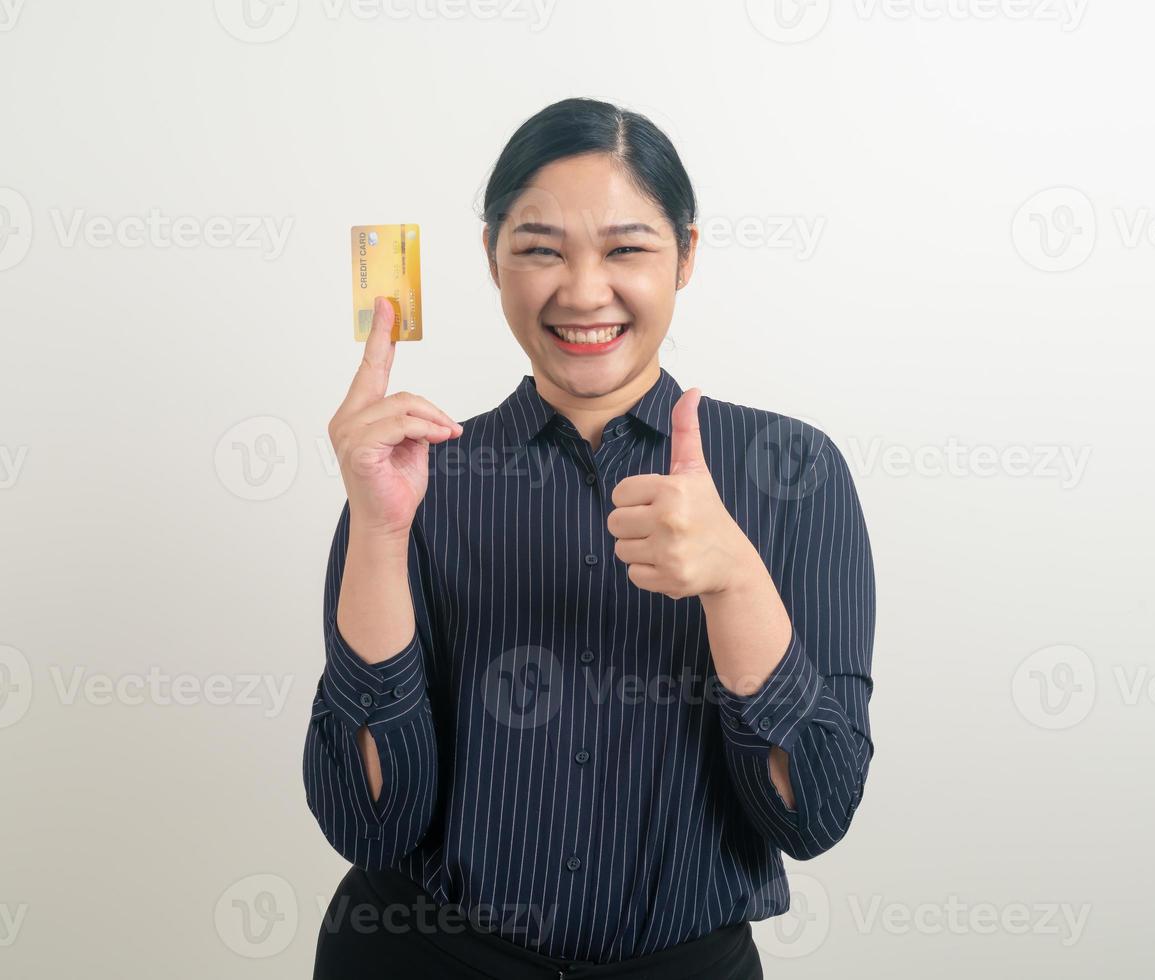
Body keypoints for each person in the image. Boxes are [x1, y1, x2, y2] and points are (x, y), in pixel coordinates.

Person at [305, 97, 876, 979]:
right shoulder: (412, 479)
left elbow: (815, 817)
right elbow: (369, 823)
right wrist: (380, 530)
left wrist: (735, 582)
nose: (581, 290)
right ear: (492, 258)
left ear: (686, 254)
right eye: (539, 248)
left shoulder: (791, 470)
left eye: (625, 248)